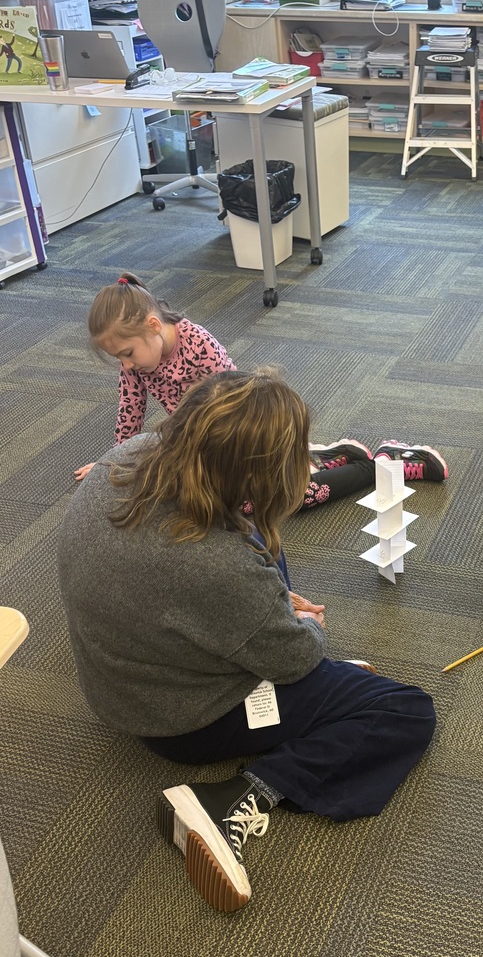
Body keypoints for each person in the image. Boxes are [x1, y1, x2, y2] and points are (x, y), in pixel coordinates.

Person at [57, 369, 437, 912]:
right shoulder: (216, 563)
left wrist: (265, 606)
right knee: (404, 711)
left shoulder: (129, 454)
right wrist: (299, 626)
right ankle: (230, 798)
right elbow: (299, 658)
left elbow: (210, 580)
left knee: (256, 547)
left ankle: (275, 641)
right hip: (179, 722)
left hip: (119, 680)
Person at [74, 273, 448, 504]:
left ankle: (387, 464)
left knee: (290, 498)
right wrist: (113, 458)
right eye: (118, 359)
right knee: (224, 503)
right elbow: (130, 414)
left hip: (240, 437)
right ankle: (323, 455)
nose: (126, 366)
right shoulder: (136, 360)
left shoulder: (197, 344)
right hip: (204, 447)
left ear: (154, 326)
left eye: (127, 354)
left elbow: (236, 408)